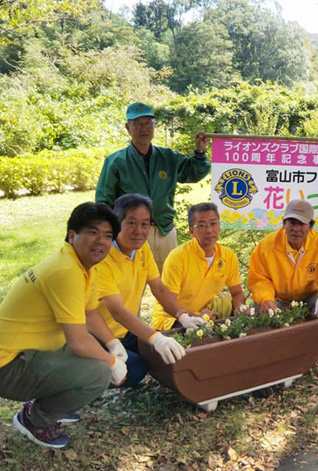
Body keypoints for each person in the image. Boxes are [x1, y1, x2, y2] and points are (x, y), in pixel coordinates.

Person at [0, 202, 127, 449]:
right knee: (98, 372)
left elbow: (89, 312)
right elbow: (78, 341)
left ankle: (57, 403)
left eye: (108, 236)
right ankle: (35, 420)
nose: (101, 241)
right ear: (72, 235)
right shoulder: (66, 271)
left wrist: (113, 343)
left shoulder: (85, 267)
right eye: (92, 232)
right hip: (7, 368)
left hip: (28, 355)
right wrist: (112, 363)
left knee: (99, 348)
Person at [86, 194, 200, 387]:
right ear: (116, 223)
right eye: (131, 223)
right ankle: (87, 376)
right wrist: (156, 338)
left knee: (161, 356)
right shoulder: (103, 257)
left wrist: (182, 316)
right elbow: (117, 311)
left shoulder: (141, 248)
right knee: (137, 368)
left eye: (145, 224)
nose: (139, 231)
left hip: (127, 331)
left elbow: (158, 287)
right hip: (99, 335)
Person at [95, 102, 211, 272]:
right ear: (128, 128)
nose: (144, 129)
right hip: (131, 233)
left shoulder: (168, 157)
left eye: (148, 123)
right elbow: (103, 202)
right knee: (130, 284)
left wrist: (200, 152)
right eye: (138, 124)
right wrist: (111, 233)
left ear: (154, 126)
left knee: (171, 283)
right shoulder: (116, 161)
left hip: (165, 230)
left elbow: (192, 172)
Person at [152, 202, 246, 330]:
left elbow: (237, 293)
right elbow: (169, 304)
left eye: (213, 223)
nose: (209, 230)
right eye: (202, 225)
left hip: (205, 314)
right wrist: (194, 315)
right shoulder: (178, 257)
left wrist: (240, 308)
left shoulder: (227, 256)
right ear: (192, 231)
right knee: (197, 333)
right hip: (173, 318)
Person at [248, 199, 318, 318]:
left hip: (309, 299)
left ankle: (313, 333)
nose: (296, 229)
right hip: (277, 299)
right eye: (292, 223)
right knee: (258, 307)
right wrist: (265, 298)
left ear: (310, 226)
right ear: (284, 224)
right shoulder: (266, 246)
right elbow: (259, 278)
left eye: (302, 224)